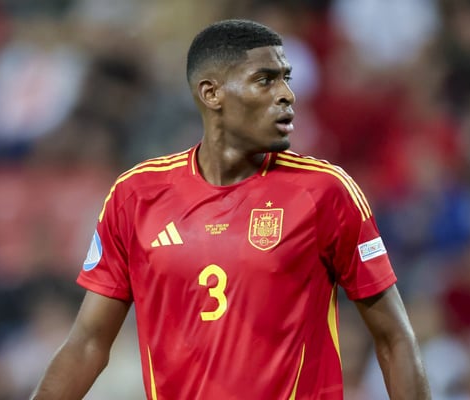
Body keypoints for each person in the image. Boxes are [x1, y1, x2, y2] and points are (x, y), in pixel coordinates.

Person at [31, 19, 431, 400]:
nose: (287, 95)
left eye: (286, 78)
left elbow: (394, 338)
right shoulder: (136, 195)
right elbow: (88, 343)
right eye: (265, 80)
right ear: (212, 93)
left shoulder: (325, 192)